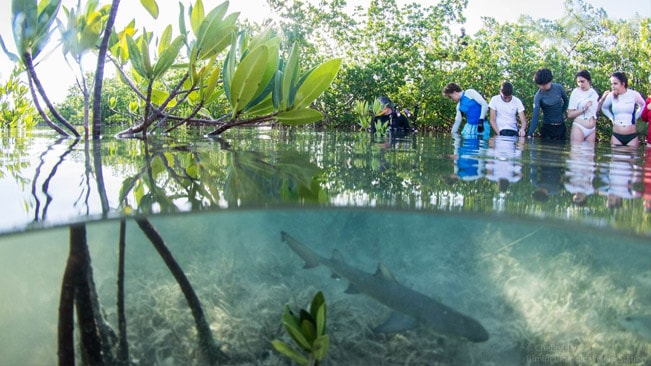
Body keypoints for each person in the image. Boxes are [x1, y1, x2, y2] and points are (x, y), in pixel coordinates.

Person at [600, 72, 645, 147]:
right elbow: (604, 108)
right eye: (611, 84)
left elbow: (643, 105)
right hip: (616, 136)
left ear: (623, 84)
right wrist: (611, 118)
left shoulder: (633, 94)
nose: (612, 86)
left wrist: (636, 116)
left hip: (631, 136)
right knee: (616, 157)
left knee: (630, 158)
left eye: (615, 83)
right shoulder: (611, 96)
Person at [527, 68, 569, 140]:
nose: (542, 87)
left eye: (544, 84)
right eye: (540, 85)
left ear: (550, 81)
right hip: (547, 129)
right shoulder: (538, 96)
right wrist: (530, 133)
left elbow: (566, 101)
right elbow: (535, 116)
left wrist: (560, 113)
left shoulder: (558, 88)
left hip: (561, 127)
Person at [567, 70, 600, 144]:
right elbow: (569, 114)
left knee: (589, 153)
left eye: (582, 81)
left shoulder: (593, 93)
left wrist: (602, 100)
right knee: (576, 153)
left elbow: (596, 111)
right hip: (579, 126)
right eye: (578, 82)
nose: (580, 84)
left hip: (592, 128)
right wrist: (583, 109)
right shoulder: (575, 92)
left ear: (588, 81)